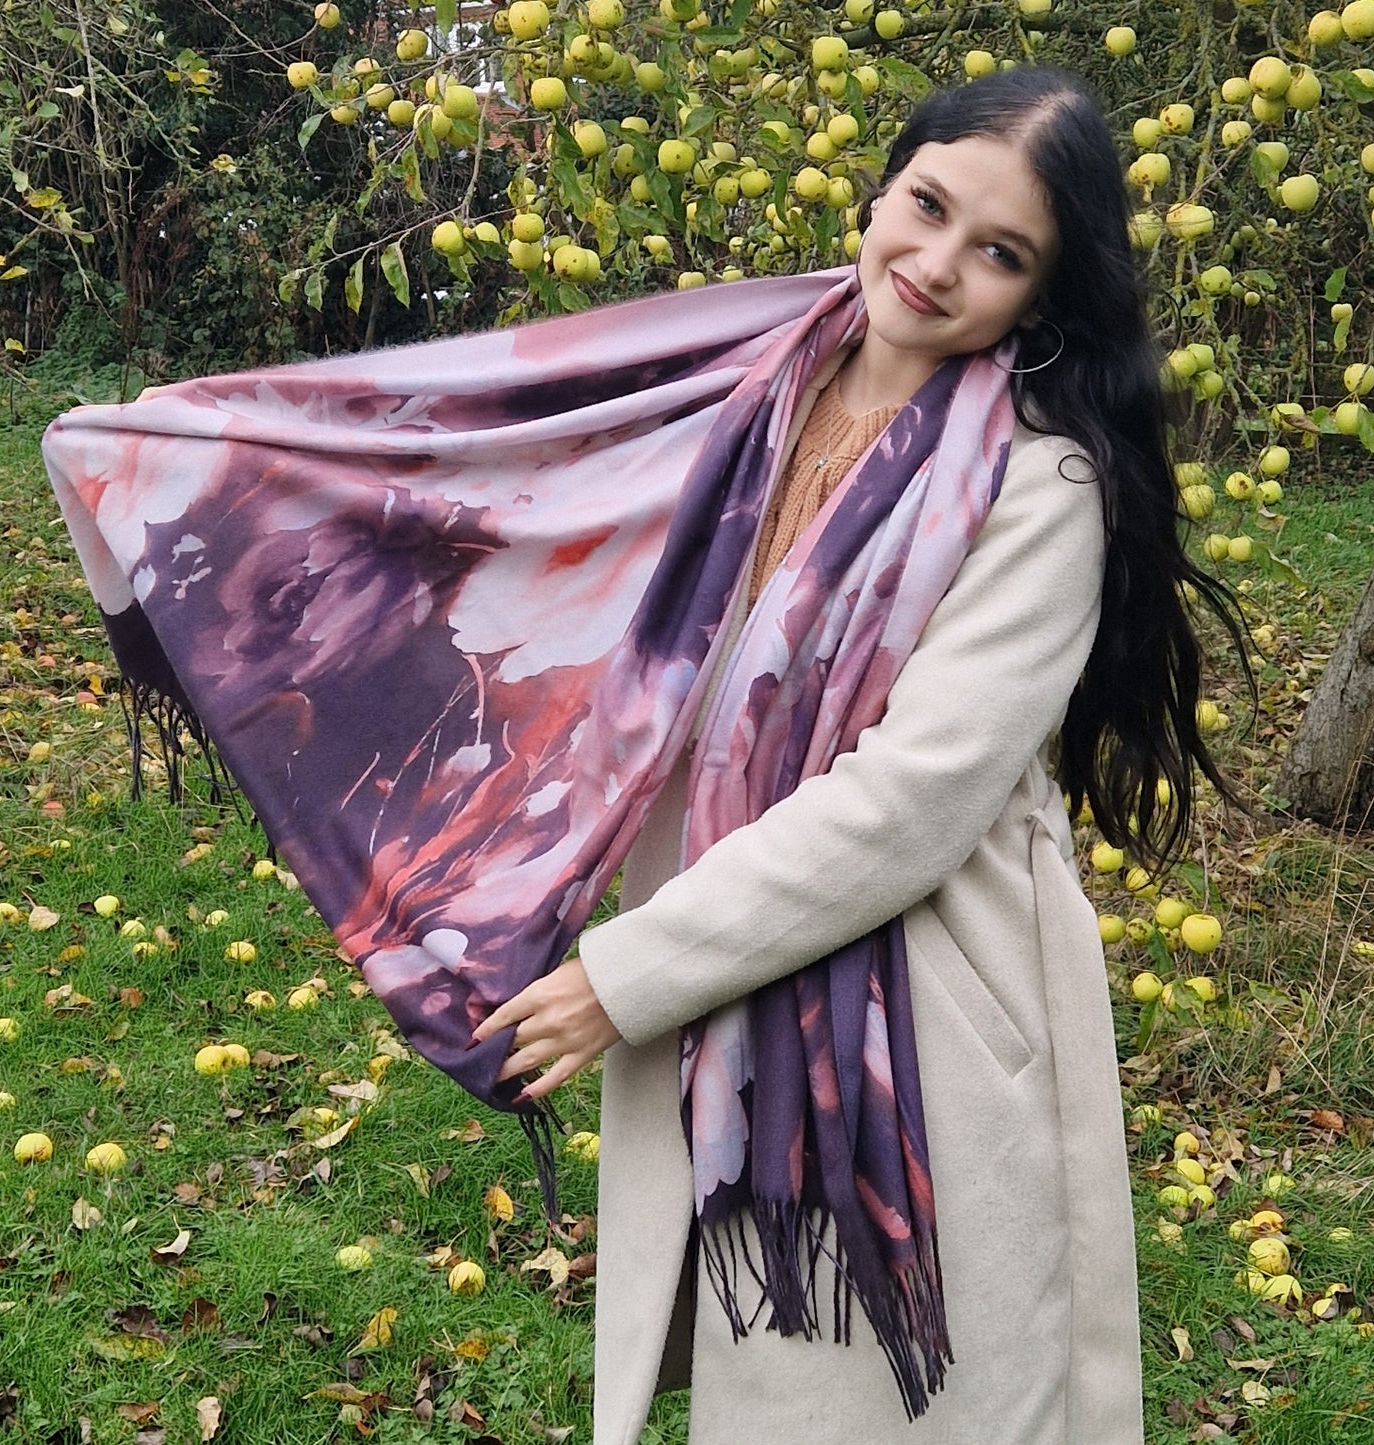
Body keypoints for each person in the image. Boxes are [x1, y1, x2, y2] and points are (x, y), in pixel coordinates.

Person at [471, 66, 1242, 1444]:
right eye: (928, 205)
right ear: (881, 185)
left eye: (998, 253)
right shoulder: (739, 393)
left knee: (890, 1402)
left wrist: (621, 972)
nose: (938, 264)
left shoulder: (1037, 487)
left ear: (1039, 297)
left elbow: (907, 801)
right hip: (729, 960)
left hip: (921, 1016)